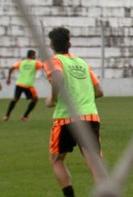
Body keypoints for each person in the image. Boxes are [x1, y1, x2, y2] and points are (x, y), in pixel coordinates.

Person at [44, 27, 107, 197]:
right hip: (90, 116)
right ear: (69, 44)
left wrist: (52, 99)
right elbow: (99, 91)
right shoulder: (82, 63)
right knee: (95, 164)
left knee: (56, 160)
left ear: (51, 45)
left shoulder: (54, 61)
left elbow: (58, 77)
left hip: (66, 118)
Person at [3, 50, 43, 121]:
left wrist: (9, 78)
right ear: (32, 55)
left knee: (15, 99)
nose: (35, 57)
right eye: (34, 55)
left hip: (19, 83)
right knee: (35, 99)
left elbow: (11, 68)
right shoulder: (35, 63)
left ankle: (6, 116)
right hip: (28, 85)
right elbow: (44, 66)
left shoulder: (21, 62)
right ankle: (25, 116)